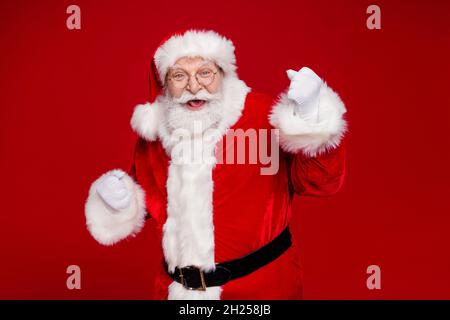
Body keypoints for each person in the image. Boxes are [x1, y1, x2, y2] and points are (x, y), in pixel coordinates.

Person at [85, 29, 347, 300]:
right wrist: (117, 200)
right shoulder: (157, 136)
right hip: (177, 293)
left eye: (204, 72)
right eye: (179, 75)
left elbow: (321, 181)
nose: (193, 86)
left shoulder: (262, 116)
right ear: (164, 83)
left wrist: (312, 117)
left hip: (260, 291)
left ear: (223, 73)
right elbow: (147, 196)